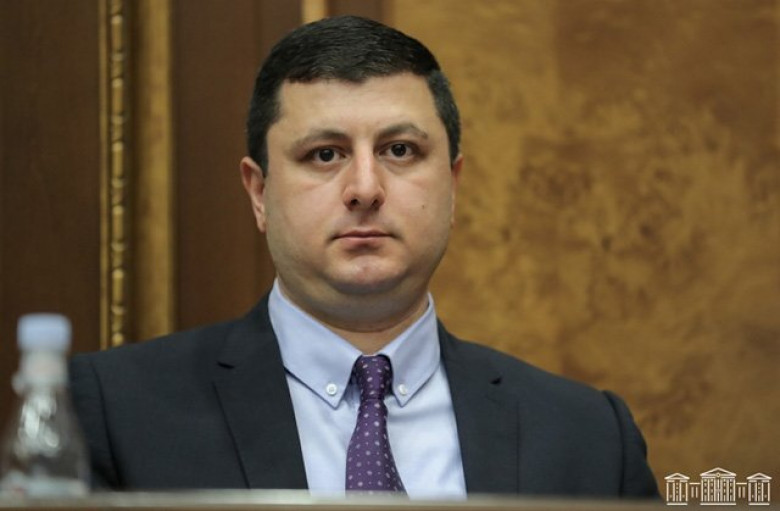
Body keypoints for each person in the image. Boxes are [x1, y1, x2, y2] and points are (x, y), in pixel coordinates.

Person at [69, 15, 659, 499]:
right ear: (259, 193)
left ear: (453, 186)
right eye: (325, 155)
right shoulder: (115, 413)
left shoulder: (590, 436)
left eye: (399, 150)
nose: (366, 189)